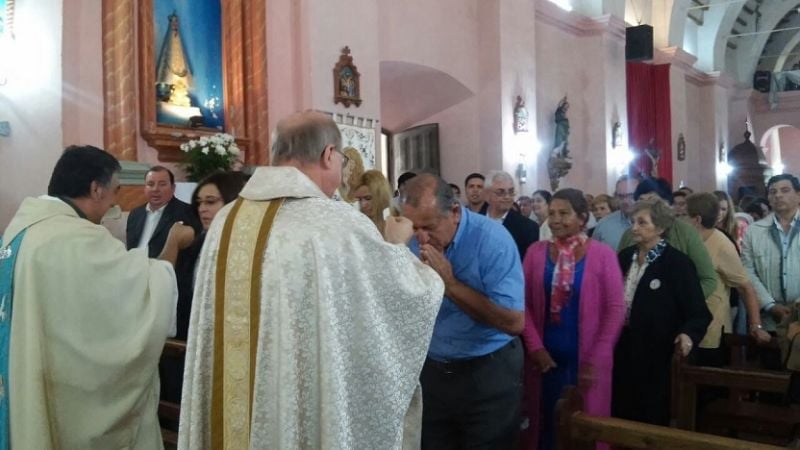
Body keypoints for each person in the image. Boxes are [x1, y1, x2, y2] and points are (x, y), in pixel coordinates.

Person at [178, 111, 444, 450]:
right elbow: (406, 298)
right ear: (328, 154)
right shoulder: (337, 223)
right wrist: (397, 246)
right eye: (341, 160)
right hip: (299, 399)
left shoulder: (227, 220)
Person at [0, 145, 195, 449]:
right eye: (114, 191)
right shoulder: (75, 238)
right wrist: (173, 243)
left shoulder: (21, 229)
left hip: (23, 375)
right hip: (61, 392)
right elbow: (144, 290)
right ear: (96, 189)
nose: (114, 202)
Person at [401, 174, 524, 449]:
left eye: (429, 227)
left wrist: (451, 285)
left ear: (455, 212)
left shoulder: (492, 240)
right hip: (435, 370)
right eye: (415, 227)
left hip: (488, 370)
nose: (421, 237)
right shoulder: (413, 242)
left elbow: (514, 322)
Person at [521, 189, 625, 450]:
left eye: (564, 213)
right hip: (544, 360)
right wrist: (535, 348)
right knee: (545, 426)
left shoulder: (602, 254)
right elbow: (521, 304)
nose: (555, 220)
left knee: (585, 431)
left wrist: (597, 358)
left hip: (587, 360)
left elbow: (615, 310)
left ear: (582, 218)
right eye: (552, 213)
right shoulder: (535, 252)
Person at [613, 200, 711, 426]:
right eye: (633, 222)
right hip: (624, 347)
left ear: (660, 227)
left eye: (642, 223)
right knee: (621, 410)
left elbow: (698, 313)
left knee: (651, 413)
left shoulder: (677, 263)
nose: (634, 228)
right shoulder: (624, 257)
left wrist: (688, 334)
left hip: (657, 353)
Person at [685, 193, 770, 368]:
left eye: (683, 215)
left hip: (711, 329)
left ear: (696, 220)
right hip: (686, 325)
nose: (679, 220)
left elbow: (745, 286)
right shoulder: (688, 240)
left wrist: (756, 325)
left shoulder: (721, 244)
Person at [617, 178, 717, 299]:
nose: (645, 207)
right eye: (641, 201)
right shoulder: (629, 234)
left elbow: (708, 279)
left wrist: (684, 301)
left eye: (652, 201)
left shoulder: (685, 232)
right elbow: (617, 275)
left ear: (667, 204)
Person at [742, 174, 800, 334]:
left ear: (798, 195)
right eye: (773, 192)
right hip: (769, 317)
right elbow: (748, 271)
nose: (778, 195)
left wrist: (797, 307)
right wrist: (770, 305)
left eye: (785, 190)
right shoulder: (754, 231)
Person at [126, 166, 201, 255]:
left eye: (162, 184)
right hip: (134, 262)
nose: (155, 189)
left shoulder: (188, 212)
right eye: (150, 184)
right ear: (145, 188)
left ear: (173, 188)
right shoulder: (135, 214)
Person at [481, 171, 539, 260]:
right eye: (500, 192)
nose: (507, 197)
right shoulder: (474, 222)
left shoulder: (528, 227)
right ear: (487, 195)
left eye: (511, 192)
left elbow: (528, 263)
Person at [592, 175, 639, 250]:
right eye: (621, 196)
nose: (625, 201)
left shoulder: (654, 223)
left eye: (631, 195)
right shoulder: (604, 225)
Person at [353, 169, 393, 236]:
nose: (363, 205)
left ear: (381, 196)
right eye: (359, 199)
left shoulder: (399, 224)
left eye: (368, 198)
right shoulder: (358, 225)